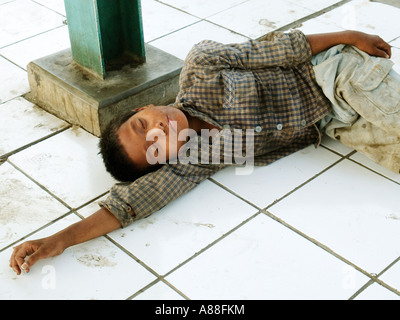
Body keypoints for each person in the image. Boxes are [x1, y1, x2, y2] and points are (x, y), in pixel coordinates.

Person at [9, 29, 398, 275]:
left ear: (138, 109)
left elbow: (283, 49)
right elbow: (128, 205)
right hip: (330, 122)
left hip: (330, 71)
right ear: (169, 160)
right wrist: (58, 240)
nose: (159, 128)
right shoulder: (197, 159)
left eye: (142, 124)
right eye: (155, 146)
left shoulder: (203, 65)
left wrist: (348, 35)